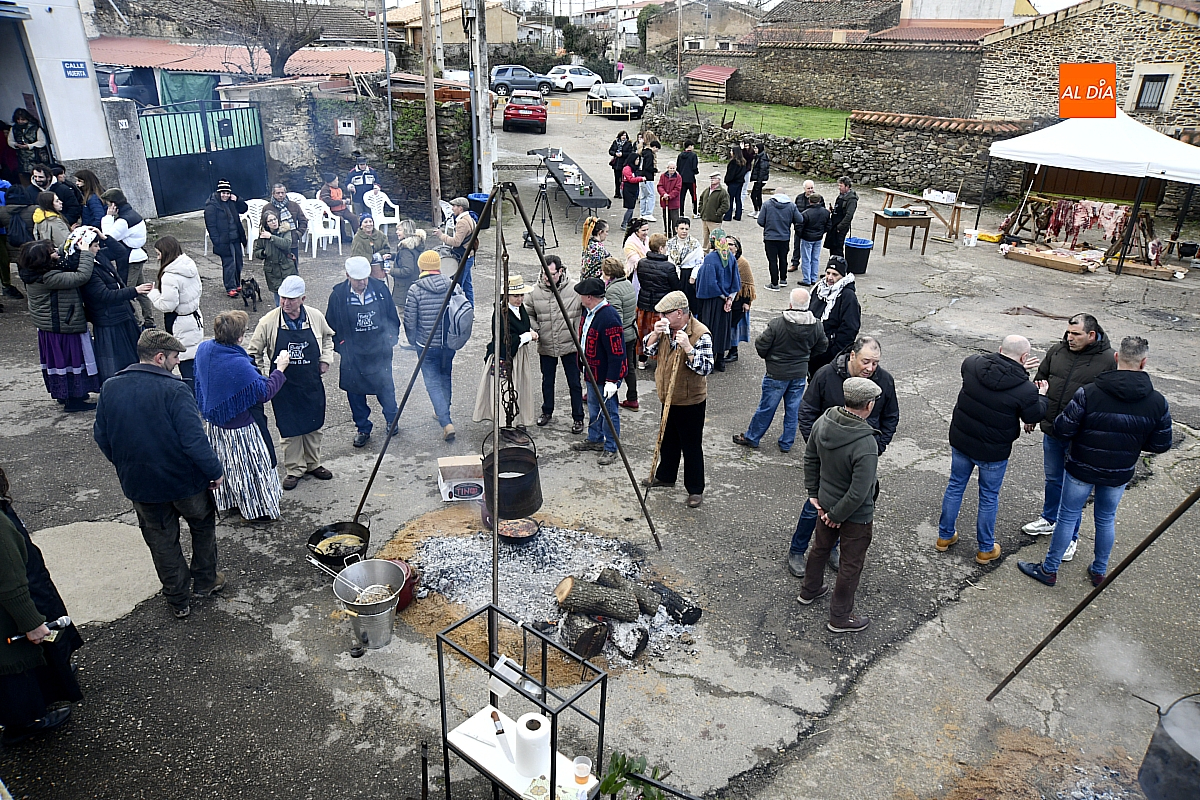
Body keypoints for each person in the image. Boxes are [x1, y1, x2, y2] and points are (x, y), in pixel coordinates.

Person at [1019, 336, 1172, 588]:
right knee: (1105, 518)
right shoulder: (1157, 401)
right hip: (1119, 471)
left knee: (1067, 516)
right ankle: (1099, 571)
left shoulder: (1089, 392)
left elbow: (1063, 428)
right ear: (1144, 362)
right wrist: (1132, 444)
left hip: (1081, 466)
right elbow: (1161, 444)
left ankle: (1049, 569)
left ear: (1116, 357)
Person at [94, 330, 226, 619]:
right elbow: (194, 441)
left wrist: (125, 465)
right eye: (175, 357)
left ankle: (178, 600)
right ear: (159, 357)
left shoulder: (110, 387)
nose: (178, 362)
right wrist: (215, 471)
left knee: (161, 540)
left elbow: (102, 436)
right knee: (202, 526)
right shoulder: (175, 390)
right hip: (184, 483)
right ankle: (206, 581)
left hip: (141, 486)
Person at [790, 336, 899, 576]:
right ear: (852, 356)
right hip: (828, 458)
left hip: (861, 458)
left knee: (850, 505)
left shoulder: (884, 381)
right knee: (815, 504)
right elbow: (807, 411)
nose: (870, 368)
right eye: (865, 361)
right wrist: (818, 446)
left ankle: (832, 548)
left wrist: (876, 448)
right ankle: (797, 550)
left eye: (875, 363)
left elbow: (891, 416)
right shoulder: (826, 375)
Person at [936, 336, 1048, 565]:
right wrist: (1042, 396)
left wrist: (1017, 370)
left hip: (963, 439)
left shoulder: (971, 363)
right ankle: (985, 549)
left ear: (1000, 349)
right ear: (1024, 357)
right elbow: (1033, 415)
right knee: (988, 497)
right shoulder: (1026, 389)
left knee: (955, 486)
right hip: (993, 451)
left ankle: (944, 537)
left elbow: (995, 374)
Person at [1021, 313, 1116, 566]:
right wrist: (1033, 413)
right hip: (1053, 430)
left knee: (1073, 491)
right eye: (1069, 332)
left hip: (1081, 439)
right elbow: (1040, 380)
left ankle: (1071, 536)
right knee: (1053, 479)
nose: (1070, 338)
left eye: (1076, 334)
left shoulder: (1109, 360)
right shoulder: (1057, 351)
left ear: (1091, 335)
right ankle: (1049, 519)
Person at [0, 466, 84, 744]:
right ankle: (24, 722)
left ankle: (51, 684)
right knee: (16, 664)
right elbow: (11, 583)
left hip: (31, 590)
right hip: (13, 613)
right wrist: (31, 623)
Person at [798, 376, 882, 633]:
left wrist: (814, 492)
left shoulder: (823, 421)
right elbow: (859, 492)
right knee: (851, 563)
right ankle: (840, 616)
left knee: (820, 548)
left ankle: (809, 590)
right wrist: (837, 515)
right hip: (855, 515)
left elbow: (810, 457)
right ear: (868, 405)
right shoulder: (866, 443)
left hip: (825, 502)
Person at [195, 310, 287, 520]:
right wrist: (280, 369)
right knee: (252, 470)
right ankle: (258, 510)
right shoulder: (238, 364)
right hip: (242, 430)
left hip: (216, 426)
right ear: (239, 337)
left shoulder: (204, 349)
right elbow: (264, 392)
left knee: (228, 467)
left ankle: (233, 502)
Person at [246, 276, 335, 491]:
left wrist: (325, 359)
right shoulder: (268, 322)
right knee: (289, 428)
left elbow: (328, 338)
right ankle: (294, 469)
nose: (285, 303)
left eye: (291, 299)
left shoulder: (315, 317)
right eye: (283, 298)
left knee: (314, 425)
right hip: (283, 387)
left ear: (303, 299)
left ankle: (313, 464)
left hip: (310, 382)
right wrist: (262, 379)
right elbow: (253, 353)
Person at [642, 290, 714, 507]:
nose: (661, 318)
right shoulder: (665, 330)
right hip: (667, 396)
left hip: (690, 400)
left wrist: (688, 348)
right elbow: (647, 350)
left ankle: (695, 489)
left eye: (665, 314)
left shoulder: (700, 334)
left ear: (680, 313)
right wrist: (654, 335)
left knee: (691, 446)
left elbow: (706, 367)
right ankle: (666, 475)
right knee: (667, 439)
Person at [734, 287, 826, 453]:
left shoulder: (777, 324)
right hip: (799, 373)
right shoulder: (816, 325)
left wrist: (770, 358)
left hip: (777, 373)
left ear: (790, 304)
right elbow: (822, 346)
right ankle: (786, 443)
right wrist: (806, 357)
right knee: (793, 409)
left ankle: (753, 437)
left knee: (767, 408)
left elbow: (761, 345)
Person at [326, 256, 401, 448]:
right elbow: (330, 325)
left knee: (385, 388)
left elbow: (392, 317)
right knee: (355, 393)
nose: (362, 283)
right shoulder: (338, 295)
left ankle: (392, 419)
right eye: (358, 279)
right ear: (347, 276)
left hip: (379, 350)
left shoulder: (380, 290)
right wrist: (342, 346)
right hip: (353, 354)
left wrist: (390, 339)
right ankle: (363, 428)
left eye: (365, 278)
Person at [19, 238, 100, 411]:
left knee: (59, 363)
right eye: (52, 252)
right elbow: (81, 276)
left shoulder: (33, 273)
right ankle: (73, 400)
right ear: (44, 259)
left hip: (52, 328)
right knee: (71, 361)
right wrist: (86, 253)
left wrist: (73, 241)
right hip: (62, 327)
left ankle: (66, 394)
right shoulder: (49, 278)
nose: (56, 252)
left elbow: (61, 257)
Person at [80, 226, 151, 383]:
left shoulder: (98, 257)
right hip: (108, 319)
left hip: (119, 313)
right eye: (95, 245)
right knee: (117, 361)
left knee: (130, 355)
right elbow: (105, 295)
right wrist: (134, 290)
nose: (99, 248)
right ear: (85, 247)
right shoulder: (88, 269)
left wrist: (104, 237)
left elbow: (120, 252)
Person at [570, 277, 626, 466]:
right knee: (594, 408)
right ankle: (595, 439)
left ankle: (611, 447)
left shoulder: (609, 318)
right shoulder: (588, 312)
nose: (579, 297)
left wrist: (612, 380)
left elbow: (617, 353)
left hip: (604, 375)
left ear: (589, 297)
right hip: (592, 372)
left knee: (609, 412)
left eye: (581, 295)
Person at [404, 250, 459, 442]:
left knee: (432, 382)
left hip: (426, 344)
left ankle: (446, 421)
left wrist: (412, 340)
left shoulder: (415, 289)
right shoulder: (451, 284)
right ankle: (443, 409)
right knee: (445, 376)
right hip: (448, 343)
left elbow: (410, 321)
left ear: (421, 268)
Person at [526, 254, 584, 433]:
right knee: (547, 381)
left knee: (574, 383)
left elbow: (587, 311)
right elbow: (527, 313)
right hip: (546, 343)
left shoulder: (574, 289)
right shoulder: (534, 292)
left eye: (552, 274)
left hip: (570, 344)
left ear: (561, 271)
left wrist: (578, 331)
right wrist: (537, 328)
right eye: (545, 273)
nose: (548, 278)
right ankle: (547, 411)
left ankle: (578, 418)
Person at [474, 274, 539, 429]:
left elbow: (521, 326)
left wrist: (528, 331)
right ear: (506, 296)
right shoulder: (501, 313)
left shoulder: (519, 308)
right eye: (515, 296)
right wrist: (527, 336)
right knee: (506, 389)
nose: (519, 299)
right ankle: (506, 426)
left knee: (519, 387)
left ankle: (517, 419)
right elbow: (504, 340)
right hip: (506, 357)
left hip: (519, 355)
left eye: (521, 295)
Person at [148, 235, 203, 394]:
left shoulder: (170, 276)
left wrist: (153, 293)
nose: (158, 258)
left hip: (180, 322)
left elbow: (167, 305)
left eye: (158, 254)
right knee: (194, 361)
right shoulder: (189, 265)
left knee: (183, 362)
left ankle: (192, 399)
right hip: (194, 318)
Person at [99, 187, 155, 329]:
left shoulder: (123, 221)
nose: (107, 207)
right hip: (135, 257)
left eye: (107, 204)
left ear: (113, 204)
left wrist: (108, 217)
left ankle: (135, 323)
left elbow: (108, 237)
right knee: (141, 292)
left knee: (127, 293)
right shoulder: (132, 214)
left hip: (130, 259)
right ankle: (149, 321)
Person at [692, 228, 740, 372]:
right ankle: (721, 361)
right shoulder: (730, 257)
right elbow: (736, 280)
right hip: (727, 301)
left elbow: (709, 283)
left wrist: (723, 297)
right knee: (723, 329)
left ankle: (710, 361)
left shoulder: (710, 259)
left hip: (712, 300)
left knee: (710, 329)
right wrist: (729, 298)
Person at [807, 258, 860, 378]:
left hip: (830, 355)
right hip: (813, 351)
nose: (830, 277)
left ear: (843, 276)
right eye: (828, 273)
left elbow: (850, 328)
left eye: (835, 274)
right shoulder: (819, 289)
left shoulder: (848, 296)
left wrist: (834, 352)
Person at [635, 232, 679, 370]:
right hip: (661, 306)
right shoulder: (669, 267)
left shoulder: (641, 263)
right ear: (660, 248)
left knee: (643, 331)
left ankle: (642, 360)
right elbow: (675, 286)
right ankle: (660, 360)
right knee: (661, 333)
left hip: (643, 303)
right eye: (665, 246)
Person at [603, 257, 639, 411]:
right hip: (631, 331)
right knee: (629, 366)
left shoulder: (612, 290)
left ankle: (606, 395)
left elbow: (616, 318)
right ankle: (632, 398)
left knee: (615, 366)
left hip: (622, 335)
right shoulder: (627, 284)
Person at [204, 179, 248, 299]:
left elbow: (244, 208)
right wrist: (216, 241)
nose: (225, 195)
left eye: (228, 193)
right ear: (219, 193)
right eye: (223, 193)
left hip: (236, 237)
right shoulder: (211, 206)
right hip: (223, 240)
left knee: (238, 262)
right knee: (229, 264)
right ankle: (230, 287)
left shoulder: (232, 202)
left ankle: (237, 283)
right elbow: (211, 226)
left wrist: (238, 199)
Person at [758, 190, 803, 292]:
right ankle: (783, 279)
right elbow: (800, 219)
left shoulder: (767, 204)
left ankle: (774, 283)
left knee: (772, 261)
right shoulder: (791, 206)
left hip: (770, 237)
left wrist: (768, 225)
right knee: (783, 258)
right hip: (784, 237)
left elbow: (760, 221)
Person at [254, 209, 299, 307]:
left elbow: (286, 244)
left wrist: (271, 237)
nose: (274, 222)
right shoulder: (263, 234)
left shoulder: (285, 231)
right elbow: (256, 251)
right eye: (270, 221)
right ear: (266, 223)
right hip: (272, 270)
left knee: (290, 293)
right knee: (278, 296)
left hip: (286, 268)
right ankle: (280, 313)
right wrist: (263, 253)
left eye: (275, 219)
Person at [438, 196, 476, 304]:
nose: (452, 208)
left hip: (464, 257)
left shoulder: (462, 222)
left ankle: (459, 309)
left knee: (458, 286)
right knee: (467, 286)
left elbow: (456, 242)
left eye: (454, 206)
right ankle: (470, 308)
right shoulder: (470, 218)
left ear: (460, 208)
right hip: (469, 255)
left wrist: (441, 236)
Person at [726, 235, 756, 362]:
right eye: (726, 244)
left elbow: (748, 285)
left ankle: (733, 352)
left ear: (737, 247)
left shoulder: (743, 263)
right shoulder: (722, 259)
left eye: (731, 244)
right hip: (724, 299)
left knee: (734, 327)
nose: (728, 247)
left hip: (738, 301)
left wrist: (746, 302)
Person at [262, 183, 306, 263]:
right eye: (278, 193)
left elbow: (303, 221)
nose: (281, 195)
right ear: (273, 194)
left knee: (293, 265)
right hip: (274, 242)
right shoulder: (267, 207)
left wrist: (298, 233)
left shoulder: (294, 205)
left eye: (282, 193)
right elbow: (263, 225)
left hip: (292, 241)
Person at [390, 219, 427, 310]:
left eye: (399, 230)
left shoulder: (405, 250)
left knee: (403, 314)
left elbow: (407, 270)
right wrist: (393, 256)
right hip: (413, 285)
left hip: (405, 289)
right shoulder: (414, 245)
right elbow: (410, 259)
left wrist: (391, 271)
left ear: (406, 231)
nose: (396, 232)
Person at [797, 194, 830, 287]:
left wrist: (802, 235)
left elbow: (799, 227)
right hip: (818, 238)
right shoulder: (825, 212)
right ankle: (813, 278)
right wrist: (821, 232)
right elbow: (828, 225)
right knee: (815, 258)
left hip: (807, 238)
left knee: (806, 259)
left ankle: (807, 279)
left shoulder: (805, 213)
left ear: (809, 201)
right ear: (819, 201)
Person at [825, 177, 858, 258]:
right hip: (834, 224)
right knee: (832, 245)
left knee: (838, 247)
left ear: (847, 186)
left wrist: (839, 227)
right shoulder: (841, 195)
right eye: (839, 185)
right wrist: (833, 210)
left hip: (840, 227)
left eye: (841, 186)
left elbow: (849, 216)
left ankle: (840, 263)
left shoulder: (852, 199)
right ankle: (833, 262)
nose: (839, 188)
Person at [7, 109, 47, 177]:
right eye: (18, 119)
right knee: (25, 176)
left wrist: (29, 146)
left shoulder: (35, 128)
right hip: (22, 159)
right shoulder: (14, 129)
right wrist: (16, 144)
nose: (20, 121)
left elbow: (42, 142)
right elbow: (10, 141)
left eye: (22, 119)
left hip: (37, 157)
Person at [319, 173, 357, 242]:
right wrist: (341, 202)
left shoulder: (339, 188)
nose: (337, 182)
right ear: (330, 182)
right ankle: (343, 237)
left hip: (343, 209)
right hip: (331, 211)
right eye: (336, 181)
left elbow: (343, 196)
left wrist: (347, 199)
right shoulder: (325, 189)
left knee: (354, 218)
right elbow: (328, 202)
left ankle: (358, 236)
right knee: (340, 220)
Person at [697, 172, 729, 249]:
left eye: (714, 178)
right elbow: (701, 200)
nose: (712, 180)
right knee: (705, 238)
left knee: (716, 239)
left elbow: (725, 205)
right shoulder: (707, 190)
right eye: (711, 178)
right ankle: (705, 252)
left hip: (714, 220)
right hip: (705, 219)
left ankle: (717, 252)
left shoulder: (722, 192)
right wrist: (701, 210)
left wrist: (717, 214)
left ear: (719, 180)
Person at [620, 151, 645, 229]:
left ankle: (628, 222)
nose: (638, 161)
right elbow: (630, 179)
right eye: (637, 159)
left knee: (632, 207)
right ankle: (624, 223)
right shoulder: (627, 168)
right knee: (630, 208)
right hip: (627, 189)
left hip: (634, 189)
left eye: (638, 160)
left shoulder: (635, 168)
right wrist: (641, 179)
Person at [722, 147, 748, 222]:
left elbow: (731, 174)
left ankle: (728, 216)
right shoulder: (743, 162)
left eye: (731, 151)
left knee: (730, 199)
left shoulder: (733, 162)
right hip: (740, 182)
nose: (730, 152)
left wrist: (727, 180)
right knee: (738, 198)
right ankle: (738, 215)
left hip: (733, 182)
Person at [638, 138, 660, 220]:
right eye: (657, 149)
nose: (657, 151)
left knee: (643, 196)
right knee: (651, 195)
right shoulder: (650, 155)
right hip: (648, 178)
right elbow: (648, 167)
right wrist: (655, 170)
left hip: (642, 176)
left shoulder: (643, 153)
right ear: (654, 147)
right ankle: (648, 213)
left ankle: (642, 213)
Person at [657, 160, 682, 232]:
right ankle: (667, 232)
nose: (672, 170)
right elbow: (660, 186)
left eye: (673, 168)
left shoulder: (678, 177)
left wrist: (670, 196)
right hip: (665, 201)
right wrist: (663, 194)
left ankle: (675, 234)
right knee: (666, 219)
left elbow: (677, 189)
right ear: (667, 168)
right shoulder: (663, 176)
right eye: (670, 168)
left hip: (674, 202)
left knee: (675, 220)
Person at [677, 140, 700, 217]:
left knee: (681, 196)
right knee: (693, 195)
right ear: (690, 146)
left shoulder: (680, 155)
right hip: (690, 179)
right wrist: (696, 172)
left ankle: (681, 213)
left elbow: (678, 168)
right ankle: (695, 212)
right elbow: (694, 167)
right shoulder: (693, 155)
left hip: (682, 178)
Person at [609, 131, 633, 198]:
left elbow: (630, 153)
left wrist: (622, 154)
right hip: (616, 164)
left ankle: (622, 192)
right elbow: (610, 151)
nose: (624, 137)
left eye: (625, 135)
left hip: (624, 163)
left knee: (623, 180)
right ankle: (617, 193)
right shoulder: (615, 142)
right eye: (622, 135)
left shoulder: (628, 144)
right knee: (617, 179)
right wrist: (615, 154)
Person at [748, 143, 770, 217]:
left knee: (754, 195)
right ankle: (756, 210)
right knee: (757, 195)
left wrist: (759, 182)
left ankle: (759, 211)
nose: (754, 150)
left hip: (760, 180)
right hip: (758, 179)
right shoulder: (758, 156)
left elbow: (762, 170)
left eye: (756, 148)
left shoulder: (763, 157)